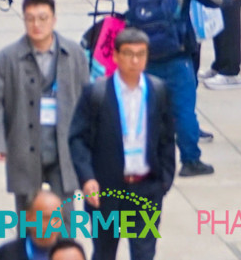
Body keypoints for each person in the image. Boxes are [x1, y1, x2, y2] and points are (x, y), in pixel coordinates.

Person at [129, 0, 241, 176]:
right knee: (184, 107)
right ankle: (191, 160)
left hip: (144, 54)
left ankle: (144, 160)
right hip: (176, 52)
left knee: (146, 108)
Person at [68, 28, 176, 260]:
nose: (135, 60)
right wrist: (87, 178)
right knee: (104, 253)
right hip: (106, 190)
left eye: (141, 54)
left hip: (146, 189)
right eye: (128, 54)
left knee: (144, 253)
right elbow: (77, 138)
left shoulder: (158, 91)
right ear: (115, 56)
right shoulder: (96, 93)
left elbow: (166, 138)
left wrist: (164, 180)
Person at [0, 0, 87, 216]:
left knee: (65, 215)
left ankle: (64, 249)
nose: (36, 25)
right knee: (27, 215)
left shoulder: (74, 54)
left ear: (54, 19)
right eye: (30, 18)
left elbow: (86, 99)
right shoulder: (8, 57)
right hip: (24, 144)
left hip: (63, 146)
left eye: (43, 18)